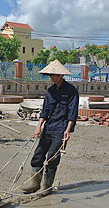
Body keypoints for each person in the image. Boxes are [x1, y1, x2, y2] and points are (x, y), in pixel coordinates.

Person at [20, 60, 79, 196]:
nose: (51, 78)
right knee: (38, 155)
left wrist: (68, 130)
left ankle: (46, 187)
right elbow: (44, 111)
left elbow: (72, 113)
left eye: (53, 75)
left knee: (52, 158)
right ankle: (34, 183)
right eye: (49, 75)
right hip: (48, 127)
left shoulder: (71, 91)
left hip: (61, 129)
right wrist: (38, 127)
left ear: (60, 75)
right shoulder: (50, 91)